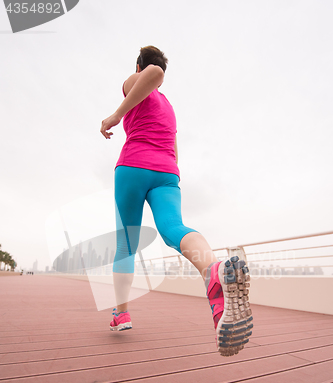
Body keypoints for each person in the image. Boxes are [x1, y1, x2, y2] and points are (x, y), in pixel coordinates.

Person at [100, 46, 253, 356]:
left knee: (126, 242)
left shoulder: (140, 79)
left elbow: (155, 73)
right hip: (168, 173)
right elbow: (174, 149)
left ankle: (121, 313)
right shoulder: (168, 107)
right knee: (174, 228)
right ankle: (213, 271)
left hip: (133, 166)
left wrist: (117, 115)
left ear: (138, 65)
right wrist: (171, 175)